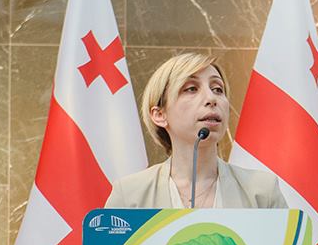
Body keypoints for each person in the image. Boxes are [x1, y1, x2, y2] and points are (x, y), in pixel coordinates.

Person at [106, 52, 287, 209]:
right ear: (160, 114)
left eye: (218, 89)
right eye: (191, 89)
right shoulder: (129, 196)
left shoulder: (263, 192)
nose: (211, 98)